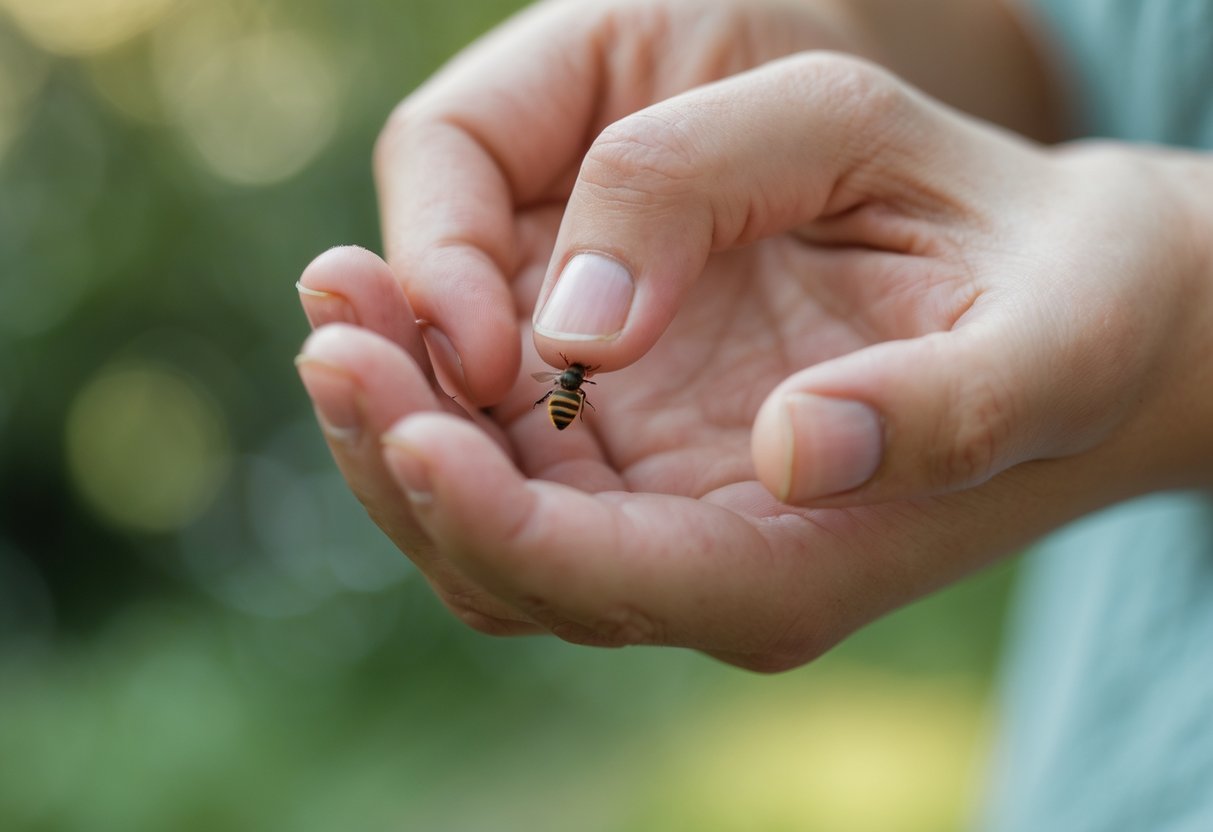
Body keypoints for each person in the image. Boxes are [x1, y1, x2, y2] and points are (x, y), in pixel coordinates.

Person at [294, 0, 1213, 825]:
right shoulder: (572, 383)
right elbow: (1119, 55)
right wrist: (841, 43)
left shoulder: (565, 384)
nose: (567, 393)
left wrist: (1183, 308)